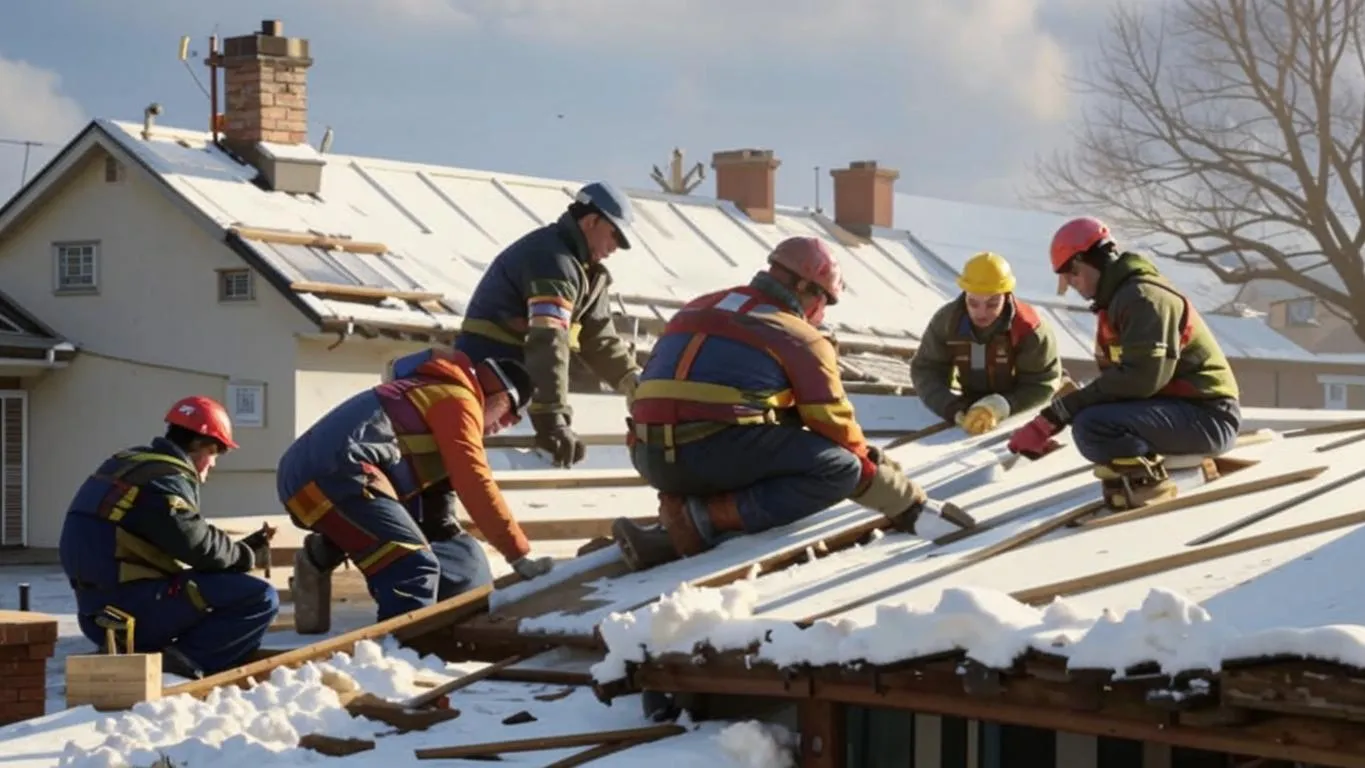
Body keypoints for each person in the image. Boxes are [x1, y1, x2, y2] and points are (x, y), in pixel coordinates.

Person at [611, 236, 975, 571]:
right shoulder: (797, 336)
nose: (822, 313)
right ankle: (702, 520)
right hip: (702, 455)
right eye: (825, 301)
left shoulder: (697, 306)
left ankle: (678, 513)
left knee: (772, 429)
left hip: (648, 455)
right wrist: (908, 507)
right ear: (804, 288)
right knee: (840, 469)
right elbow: (840, 436)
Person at [278, 348, 555, 628]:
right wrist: (517, 553)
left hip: (317, 481)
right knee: (411, 566)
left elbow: (434, 511)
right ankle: (395, 659)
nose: (508, 424)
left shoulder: (428, 395)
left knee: (461, 573)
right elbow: (473, 478)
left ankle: (319, 555)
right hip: (336, 473)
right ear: (499, 394)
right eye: (512, 412)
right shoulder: (458, 399)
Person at [1007, 217, 1242, 510]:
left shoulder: (1144, 299)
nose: (1071, 285)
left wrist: (1060, 413)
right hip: (1184, 412)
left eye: (1071, 275)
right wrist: (1055, 416)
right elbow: (1119, 383)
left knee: (1093, 426)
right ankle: (1147, 468)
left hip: (1208, 417)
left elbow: (1141, 379)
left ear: (1083, 261)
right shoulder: (1119, 302)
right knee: (1091, 420)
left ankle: (1151, 483)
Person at [59, 396, 278, 679]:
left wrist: (234, 551)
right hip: (131, 612)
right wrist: (244, 555)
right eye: (214, 455)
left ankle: (180, 655)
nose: (211, 466)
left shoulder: (130, 464)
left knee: (217, 591)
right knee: (260, 598)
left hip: (101, 612)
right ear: (199, 445)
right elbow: (196, 544)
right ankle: (182, 664)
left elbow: (178, 537)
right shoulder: (164, 478)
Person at [455, 181, 643, 469]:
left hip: (518, 394)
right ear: (591, 221)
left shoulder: (586, 273)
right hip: (490, 387)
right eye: (615, 236)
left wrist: (632, 380)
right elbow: (548, 342)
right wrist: (552, 421)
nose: (615, 248)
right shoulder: (551, 260)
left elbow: (598, 339)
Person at [910, 251, 1064, 435]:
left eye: (991, 304)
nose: (981, 313)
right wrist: (953, 408)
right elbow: (926, 370)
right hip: (967, 405)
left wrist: (1001, 406)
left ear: (1006, 295)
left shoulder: (1030, 330)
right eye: (973, 303)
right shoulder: (947, 322)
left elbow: (1042, 383)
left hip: (1018, 413)